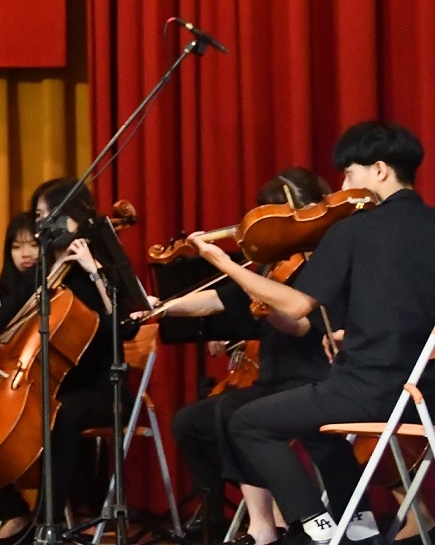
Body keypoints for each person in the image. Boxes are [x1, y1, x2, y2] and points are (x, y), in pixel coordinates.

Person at [190, 122, 435, 545]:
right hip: (425, 396)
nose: (344, 186)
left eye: (349, 173)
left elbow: (295, 306)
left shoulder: (355, 229)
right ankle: (358, 525)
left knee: (248, 422)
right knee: (304, 412)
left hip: (371, 390)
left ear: (379, 170)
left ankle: (317, 528)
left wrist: (225, 264)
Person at [150, 168, 340, 545]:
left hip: (313, 379)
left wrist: (264, 302)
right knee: (191, 421)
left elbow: (302, 326)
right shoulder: (272, 265)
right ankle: (225, 517)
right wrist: (164, 307)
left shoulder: (325, 261)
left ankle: (270, 524)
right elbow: (218, 298)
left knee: (233, 412)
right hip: (273, 380)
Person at [0, 179, 118, 541]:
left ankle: (48, 522)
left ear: (76, 216)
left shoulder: (105, 267)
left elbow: (120, 324)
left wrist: (94, 272)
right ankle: (11, 511)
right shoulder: (41, 273)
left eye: (51, 215)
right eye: (39, 217)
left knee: (61, 414)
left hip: (97, 388)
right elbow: (3, 314)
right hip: (42, 384)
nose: (44, 224)